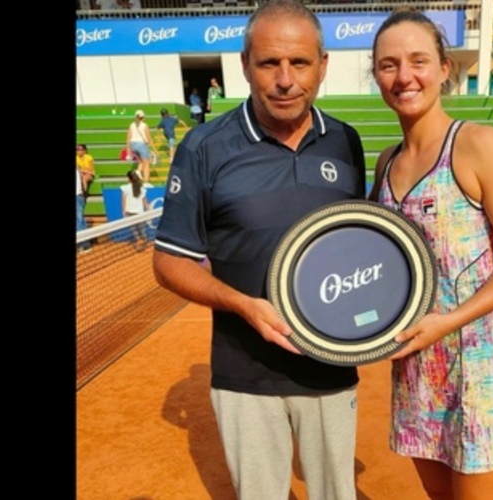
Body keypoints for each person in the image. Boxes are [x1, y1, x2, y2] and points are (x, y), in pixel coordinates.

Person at [152, 1, 366, 499]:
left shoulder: (346, 143)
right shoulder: (204, 146)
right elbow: (168, 261)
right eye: (269, 63)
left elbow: (357, 243)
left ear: (323, 65)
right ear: (246, 65)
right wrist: (243, 305)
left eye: (300, 63)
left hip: (331, 369)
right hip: (242, 375)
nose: (285, 79)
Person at [367, 7, 493, 499]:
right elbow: (377, 263)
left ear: (444, 69)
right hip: (416, 368)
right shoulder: (386, 162)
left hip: (477, 365)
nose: (404, 76)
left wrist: (450, 320)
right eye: (388, 65)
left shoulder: (478, 145)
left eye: (418, 60)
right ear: (376, 74)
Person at [121, 169, 152, 251]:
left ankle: (140, 245)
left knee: (135, 231)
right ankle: (143, 245)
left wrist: (124, 211)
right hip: (139, 213)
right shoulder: (141, 189)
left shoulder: (126, 188)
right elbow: (145, 201)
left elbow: (123, 200)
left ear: (129, 178)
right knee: (142, 230)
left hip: (131, 213)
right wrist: (149, 209)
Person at [125, 109, 157, 184]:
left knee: (141, 161)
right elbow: (149, 139)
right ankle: (146, 182)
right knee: (147, 165)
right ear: (143, 117)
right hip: (142, 145)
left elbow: (128, 138)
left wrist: (128, 150)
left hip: (133, 145)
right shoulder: (144, 126)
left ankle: (138, 172)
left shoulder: (131, 125)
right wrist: (155, 150)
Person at [76, 166, 92, 254]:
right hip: (79, 197)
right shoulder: (78, 170)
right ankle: (84, 244)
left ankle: (84, 245)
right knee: (81, 221)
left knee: (79, 221)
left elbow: (90, 173)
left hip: (77, 197)